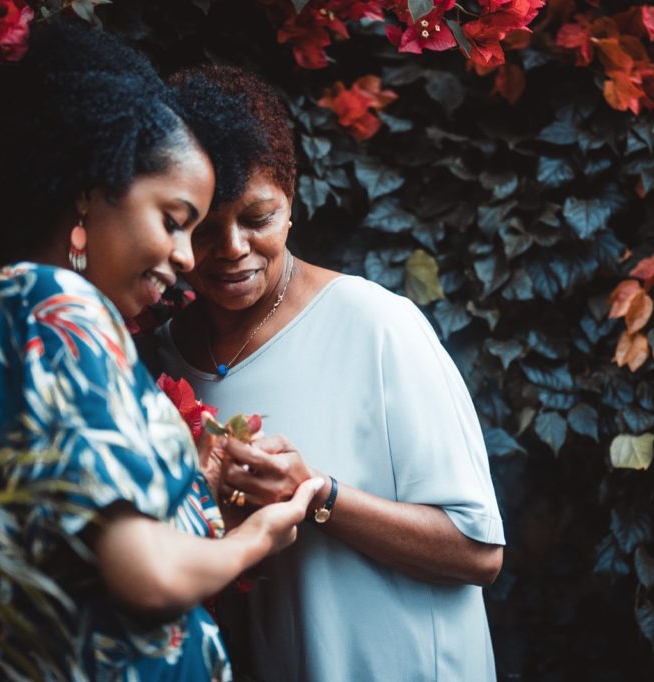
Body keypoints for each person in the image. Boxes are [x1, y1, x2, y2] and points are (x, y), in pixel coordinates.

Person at [0, 23, 322, 680]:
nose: (185, 255)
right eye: (173, 220)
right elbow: (143, 574)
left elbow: (66, 540)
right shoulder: (62, 306)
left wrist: (196, 482)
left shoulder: (2, 307)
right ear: (91, 192)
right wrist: (260, 536)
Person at [145, 65, 506, 681]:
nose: (231, 247)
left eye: (257, 218)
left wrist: (319, 495)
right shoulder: (160, 361)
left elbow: (479, 553)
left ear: (292, 202)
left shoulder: (377, 325)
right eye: (204, 228)